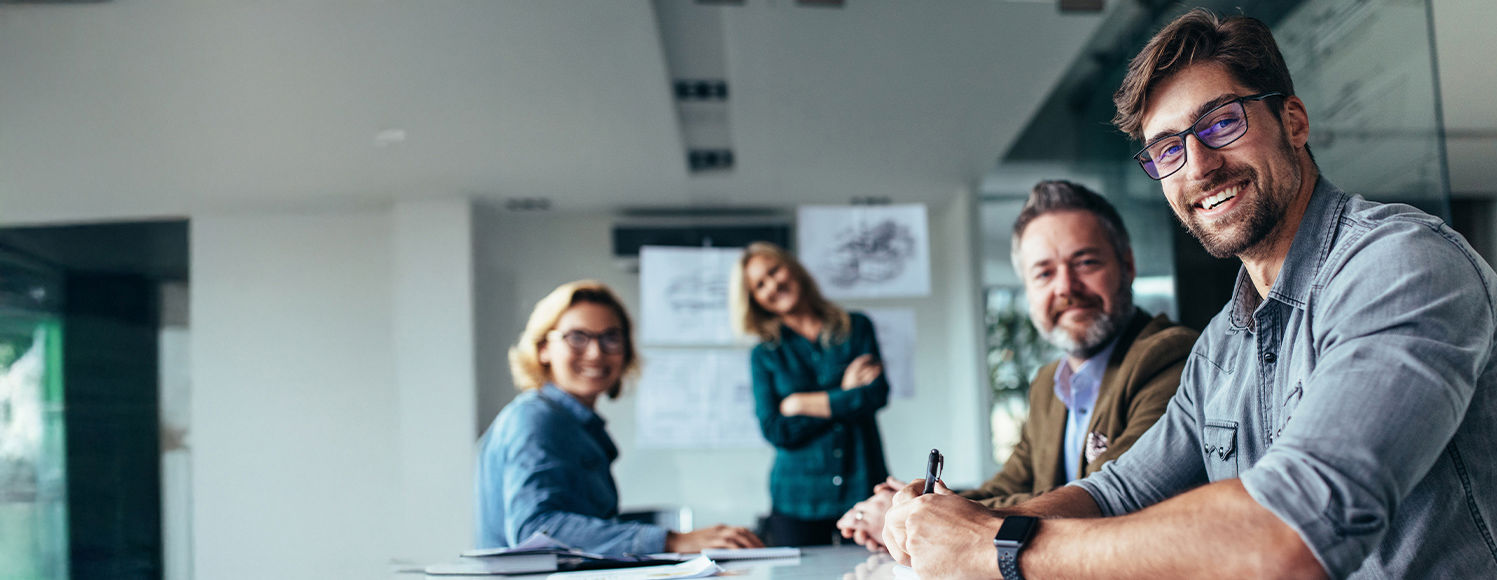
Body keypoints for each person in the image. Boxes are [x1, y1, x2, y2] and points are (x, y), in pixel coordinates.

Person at [884, 9, 1497, 579]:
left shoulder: (1401, 267)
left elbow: (1292, 537)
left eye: (1222, 122)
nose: (1200, 165)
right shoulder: (1227, 340)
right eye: (1167, 150)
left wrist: (1000, 550)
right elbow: (1117, 491)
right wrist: (967, 530)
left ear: (1294, 122)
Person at [833, 180, 1199, 550]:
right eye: (1044, 273)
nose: (1065, 287)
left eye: (1086, 262)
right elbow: (1011, 485)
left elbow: (1108, 497)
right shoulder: (1048, 384)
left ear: (1128, 265)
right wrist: (921, 504)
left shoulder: (1168, 356)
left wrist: (920, 518)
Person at [476, 280, 762, 554]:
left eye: (611, 337)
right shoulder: (535, 419)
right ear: (543, 348)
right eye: (577, 337)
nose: (596, 352)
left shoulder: (577, 425)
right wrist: (671, 541)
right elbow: (535, 531)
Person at [733, 242, 890, 547]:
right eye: (759, 285)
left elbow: (875, 395)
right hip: (797, 500)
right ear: (754, 300)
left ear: (792, 268)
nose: (773, 285)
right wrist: (844, 393)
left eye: (774, 270)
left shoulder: (856, 327)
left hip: (863, 486)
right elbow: (776, 429)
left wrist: (800, 403)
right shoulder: (764, 353)